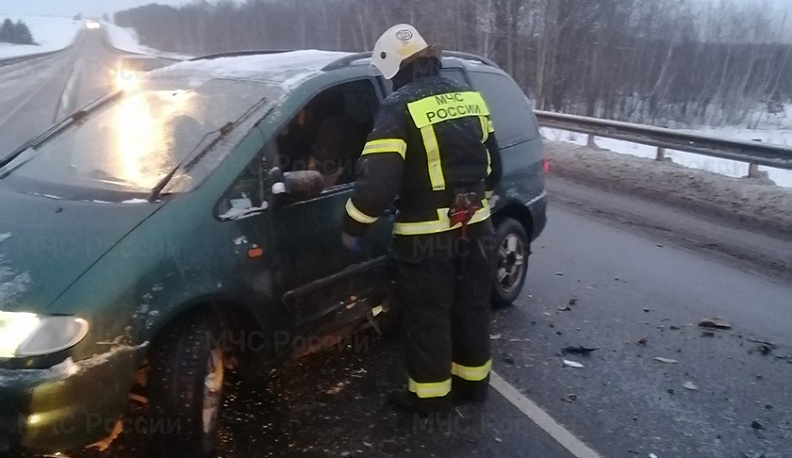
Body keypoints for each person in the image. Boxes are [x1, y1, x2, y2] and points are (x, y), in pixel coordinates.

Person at [340, 24, 503, 414]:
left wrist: (352, 227)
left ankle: (431, 398)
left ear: (396, 67)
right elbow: (494, 170)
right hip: (477, 229)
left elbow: (376, 188)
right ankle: (474, 384)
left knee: (428, 317)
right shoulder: (470, 97)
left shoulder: (398, 106)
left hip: (426, 241)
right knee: (472, 307)